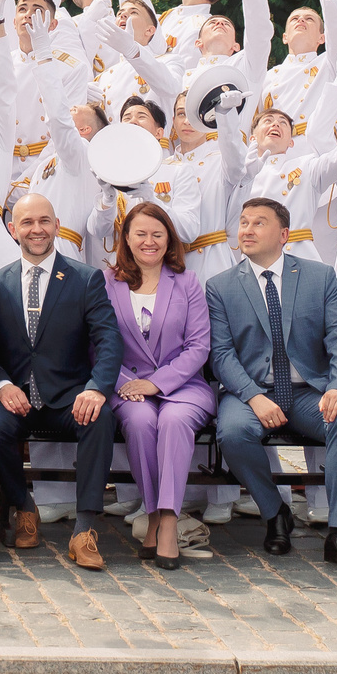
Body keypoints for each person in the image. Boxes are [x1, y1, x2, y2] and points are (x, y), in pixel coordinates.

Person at [205, 196, 337, 574]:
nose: (246, 230)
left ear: (283, 234)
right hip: (251, 392)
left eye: (258, 223)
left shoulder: (319, 275)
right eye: (243, 222)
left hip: (309, 391)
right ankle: (275, 512)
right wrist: (252, 397)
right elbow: (222, 354)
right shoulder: (221, 286)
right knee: (232, 433)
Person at [0, 191, 121, 568]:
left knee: (100, 419)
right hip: (14, 396)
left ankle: (85, 528)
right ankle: (24, 506)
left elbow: (108, 340)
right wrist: (1, 385)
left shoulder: (86, 280)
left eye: (43, 221)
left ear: (56, 226)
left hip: (69, 395)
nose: (36, 230)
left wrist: (96, 389)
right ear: (12, 230)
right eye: (27, 222)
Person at [102, 201, 213, 569]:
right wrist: (129, 384)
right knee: (139, 422)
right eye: (141, 234)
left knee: (173, 421)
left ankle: (167, 521)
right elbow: (97, 344)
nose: (149, 241)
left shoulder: (188, 282)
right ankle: (152, 514)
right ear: (127, 239)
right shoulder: (106, 283)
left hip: (183, 386)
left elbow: (199, 346)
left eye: (158, 234)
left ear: (169, 240)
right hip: (126, 386)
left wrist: (156, 384)